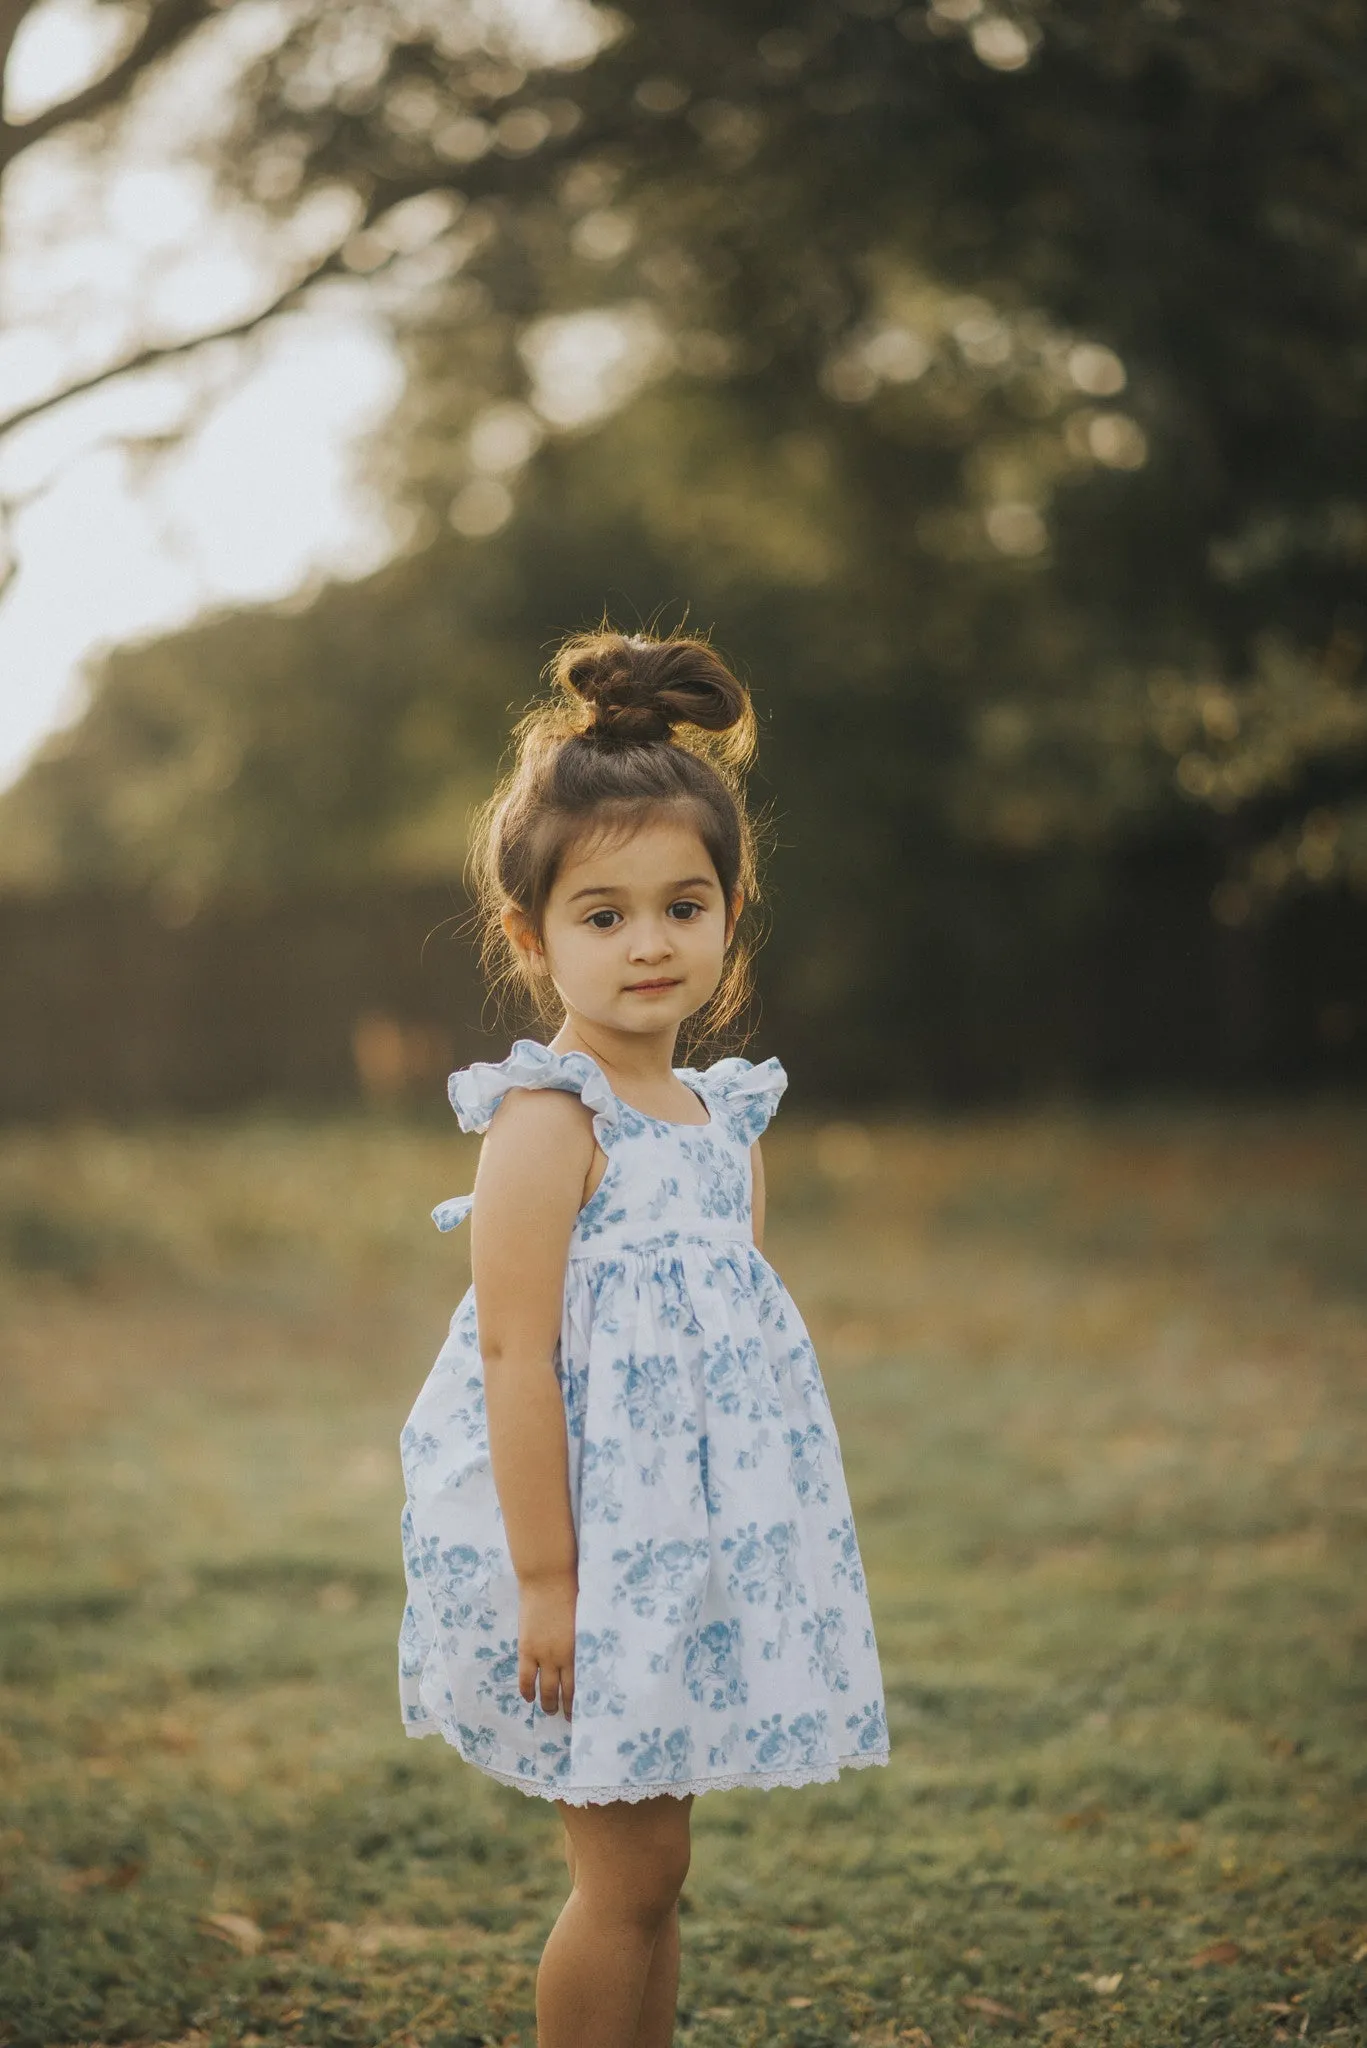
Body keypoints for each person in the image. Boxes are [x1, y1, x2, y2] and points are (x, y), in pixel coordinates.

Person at [397, 627, 890, 2048]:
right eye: (601, 914)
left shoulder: (714, 1117)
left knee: (655, 1873)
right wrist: (548, 1580)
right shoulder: (549, 1123)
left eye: (682, 904)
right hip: (584, 1551)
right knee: (623, 1876)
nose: (649, 942)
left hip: (686, 1547)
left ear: (732, 909)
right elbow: (512, 1356)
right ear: (529, 936)